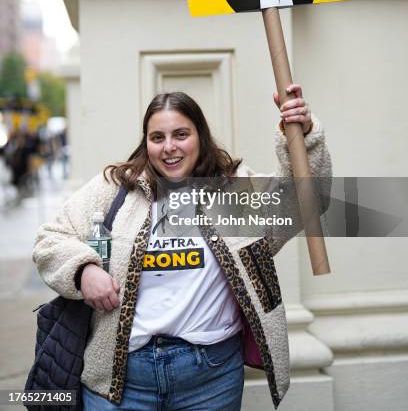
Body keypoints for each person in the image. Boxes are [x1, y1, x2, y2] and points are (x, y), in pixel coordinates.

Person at [33, 85, 331, 410]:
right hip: (121, 384)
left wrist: (303, 135)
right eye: (157, 137)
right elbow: (50, 240)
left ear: (200, 136)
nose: (169, 147)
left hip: (211, 381)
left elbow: (304, 202)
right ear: (146, 142)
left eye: (181, 134)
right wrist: (83, 269)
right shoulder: (114, 189)